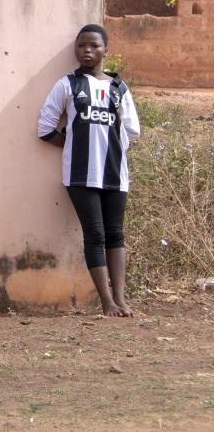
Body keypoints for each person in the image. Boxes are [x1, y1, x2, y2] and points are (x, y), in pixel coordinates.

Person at [38, 24, 141, 317]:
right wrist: (75, 147)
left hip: (114, 174)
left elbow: (132, 131)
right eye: (81, 45)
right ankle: (106, 301)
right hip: (80, 176)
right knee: (94, 235)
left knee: (115, 234)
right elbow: (45, 129)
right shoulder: (67, 85)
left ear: (105, 50)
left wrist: (107, 149)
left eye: (94, 45)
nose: (87, 50)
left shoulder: (119, 88)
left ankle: (121, 300)